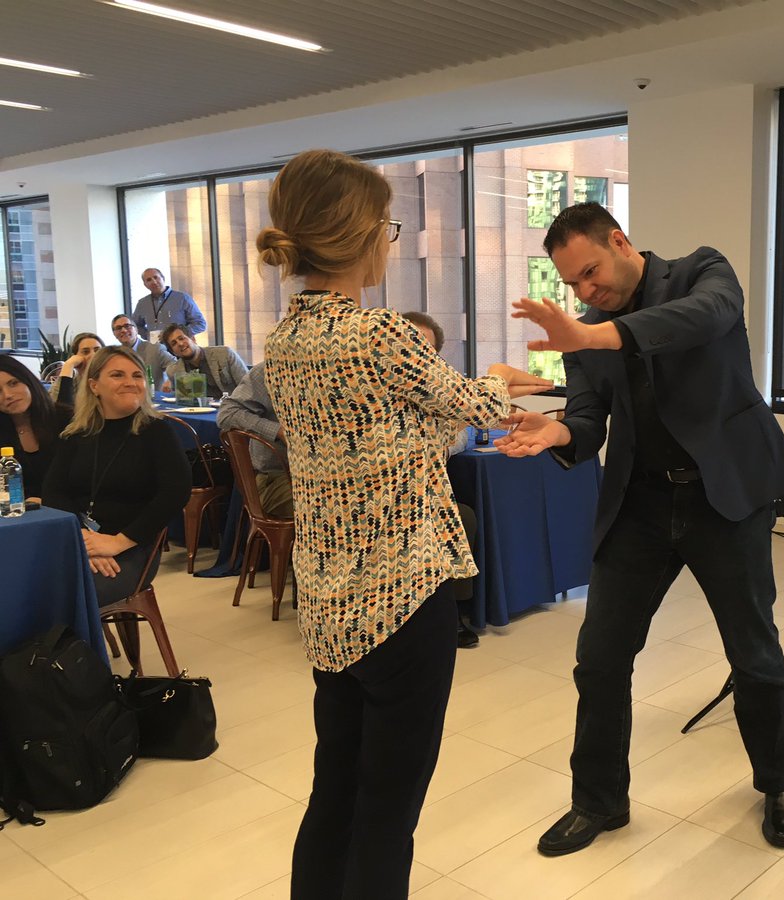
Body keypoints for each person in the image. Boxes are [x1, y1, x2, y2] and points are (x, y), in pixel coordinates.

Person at [256, 148, 552, 898]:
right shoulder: (378, 333)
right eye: (388, 228)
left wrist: (464, 406)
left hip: (329, 600)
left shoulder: (284, 341)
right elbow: (475, 404)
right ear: (360, 234)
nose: (390, 242)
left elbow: (378, 446)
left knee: (336, 787)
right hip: (402, 595)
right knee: (389, 807)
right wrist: (500, 379)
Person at [495, 202, 784, 854]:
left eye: (590, 273)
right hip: (639, 504)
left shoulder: (701, 272)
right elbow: (588, 422)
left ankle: (779, 783)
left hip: (726, 498)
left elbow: (705, 318)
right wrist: (557, 431)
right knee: (600, 660)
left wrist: (593, 337)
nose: (585, 292)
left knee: (753, 654)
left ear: (619, 241)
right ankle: (599, 801)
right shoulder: (585, 335)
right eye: (573, 284)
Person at [42, 346, 191, 606]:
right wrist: (85, 541)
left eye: (137, 375)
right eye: (117, 375)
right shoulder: (76, 434)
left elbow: (175, 493)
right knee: (24, 585)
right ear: (94, 385)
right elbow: (54, 492)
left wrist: (117, 542)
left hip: (133, 545)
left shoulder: (157, 432)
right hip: (78, 539)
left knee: (64, 596)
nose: (130, 383)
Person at [402, 310, 478, 648]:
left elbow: (464, 427)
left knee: (462, 516)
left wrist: (443, 444)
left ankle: (457, 613)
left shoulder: (438, 387)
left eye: (426, 350)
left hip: (426, 492)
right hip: (386, 497)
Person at [216, 365, 292, 518]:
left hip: (321, 477)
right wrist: (278, 431)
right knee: (332, 505)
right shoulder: (270, 370)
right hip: (275, 477)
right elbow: (227, 414)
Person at [0, 355, 71, 503]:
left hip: (68, 510)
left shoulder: (67, 420)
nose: (8, 395)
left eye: (13, 383)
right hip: (18, 513)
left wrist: (48, 502)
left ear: (28, 381)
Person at [161, 324, 249, 399]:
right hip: (197, 411)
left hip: (232, 407)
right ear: (173, 352)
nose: (180, 344)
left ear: (193, 339)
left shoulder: (224, 354)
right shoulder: (173, 371)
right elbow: (182, 400)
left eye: (181, 338)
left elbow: (247, 386)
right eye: (174, 343)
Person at [132, 267, 207, 341]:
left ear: (163, 278)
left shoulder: (182, 298)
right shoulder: (142, 303)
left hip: (180, 345)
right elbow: (134, 325)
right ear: (145, 284)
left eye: (156, 277)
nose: (154, 282)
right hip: (155, 346)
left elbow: (200, 324)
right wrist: (147, 335)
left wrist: (179, 334)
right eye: (149, 280)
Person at [112, 313, 175, 392]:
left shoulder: (155, 349)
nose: (123, 330)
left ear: (136, 330)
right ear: (114, 334)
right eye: (118, 328)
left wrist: (170, 380)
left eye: (127, 326)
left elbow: (176, 366)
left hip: (153, 398)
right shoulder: (114, 356)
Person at [49, 331, 105, 403]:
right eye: (86, 352)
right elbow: (58, 406)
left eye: (97, 350)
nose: (93, 355)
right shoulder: (72, 383)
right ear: (75, 357)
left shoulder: (109, 380)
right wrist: (68, 365)